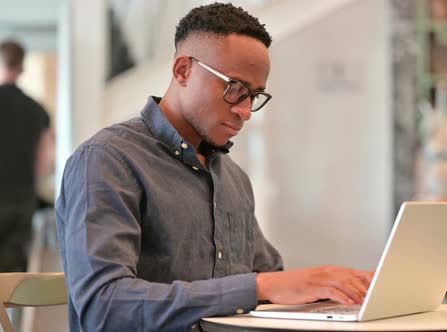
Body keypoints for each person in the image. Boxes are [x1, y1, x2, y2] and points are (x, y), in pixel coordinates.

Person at [56, 3, 374, 331]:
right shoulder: (108, 160)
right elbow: (102, 307)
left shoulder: (233, 178)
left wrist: (333, 290)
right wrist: (260, 287)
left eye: (254, 96)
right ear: (183, 70)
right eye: (235, 89)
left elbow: (272, 282)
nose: (246, 111)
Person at [0, 39, 52, 272]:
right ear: (21, 68)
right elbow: (43, 163)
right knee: (13, 276)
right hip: (22, 200)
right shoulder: (37, 110)